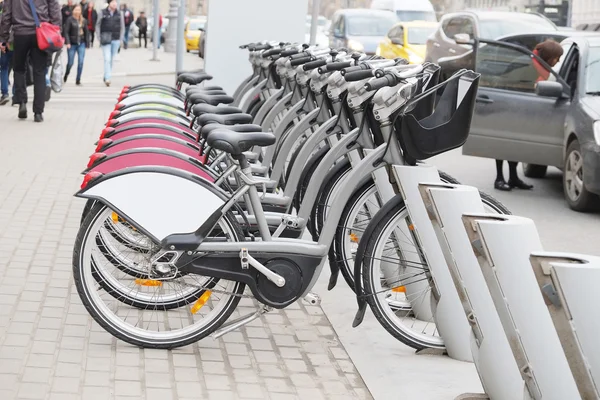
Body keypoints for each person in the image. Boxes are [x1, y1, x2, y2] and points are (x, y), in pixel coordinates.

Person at [494, 39, 564, 192]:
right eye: (556, 57)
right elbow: (510, 83)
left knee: (516, 145)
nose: (557, 61)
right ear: (548, 56)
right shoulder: (527, 64)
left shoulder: (539, 66)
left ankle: (513, 177)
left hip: (522, 109)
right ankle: (499, 178)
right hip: (508, 107)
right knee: (503, 145)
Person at [0, 0, 61, 122]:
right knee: (40, 72)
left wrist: (4, 37)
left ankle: (21, 102)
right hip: (41, 34)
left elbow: (6, 15)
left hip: (20, 33)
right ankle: (38, 112)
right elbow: (54, 9)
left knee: (19, 69)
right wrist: (55, 28)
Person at [97, 0, 122, 87]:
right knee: (107, 58)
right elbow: (98, 25)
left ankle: (106, 75)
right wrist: (98, 37)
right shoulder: (103, 12)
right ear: (109, 3)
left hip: (116, 39)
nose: (115, 4)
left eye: (115, 2)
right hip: (105, 38)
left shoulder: (119, 13)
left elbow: (122, 27)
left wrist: (121, 39)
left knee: (111, 59)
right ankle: (108, 78)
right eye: (113, 2)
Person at [64, 4, 88, 85]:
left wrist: (87, 43)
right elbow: (66, 32)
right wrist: (67, 42)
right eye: (76, 9)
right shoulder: (69, 20)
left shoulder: (83, 20)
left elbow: (86, 32)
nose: (77, 11)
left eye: (79, 9)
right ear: (73, 10)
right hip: (72, 44)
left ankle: (78, 79)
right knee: (70, 62)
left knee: (81, 62)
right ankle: (66, 74)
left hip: (81, 43)